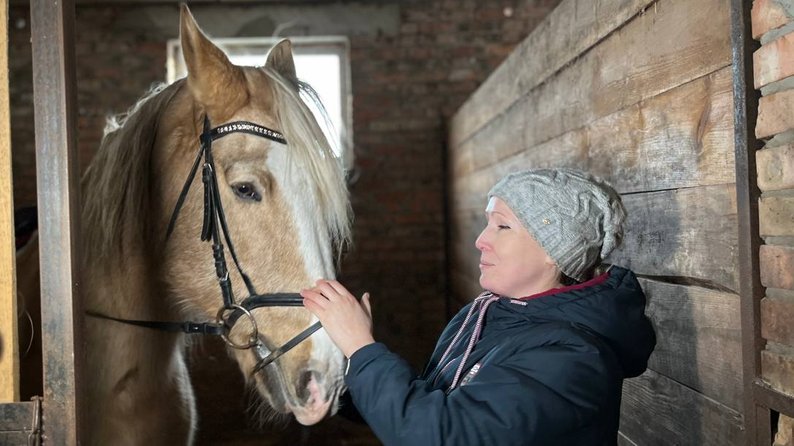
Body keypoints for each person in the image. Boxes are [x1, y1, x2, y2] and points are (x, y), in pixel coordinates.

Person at [301, 168, 656, 445]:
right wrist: (342, 388)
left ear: (554, 250)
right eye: (488, 224)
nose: (481, 240)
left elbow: (441, 435)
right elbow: (432, 403)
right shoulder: (490, 313)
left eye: (502, 226)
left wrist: (362, 349)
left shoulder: (572, 357)